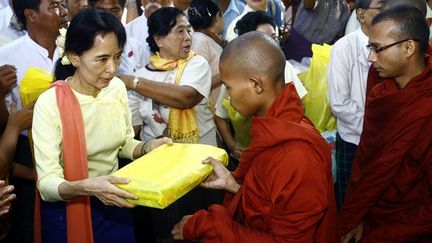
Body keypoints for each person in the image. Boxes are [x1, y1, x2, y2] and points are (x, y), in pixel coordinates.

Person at [171, 31, 337, 242]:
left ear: (257, 85)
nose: (228, 97)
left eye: (228, 87)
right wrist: (232, 184)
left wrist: (207, 226)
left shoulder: (298, 154)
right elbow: (270, 200)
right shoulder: (277, 126)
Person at [32, 9, 171, 243]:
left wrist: (147, 147)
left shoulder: (115, 88)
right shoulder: (50, 103)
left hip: (113, 200)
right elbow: (47, 184)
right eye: (102, 59)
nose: (112, 69)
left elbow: (124, 143)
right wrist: (89, 187)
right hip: (69, 207)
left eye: (117, 57)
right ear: (75, 57)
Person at [339, 6, 432, 242]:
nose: (371, 57)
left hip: (407, 225)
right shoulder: (381, 91)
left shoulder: (426, 107)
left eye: (377, 49)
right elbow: (367, 160)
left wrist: (384, 235)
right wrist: (358, 214)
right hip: (372, 211)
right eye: (371, 48)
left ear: (409, 47)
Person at [0, 1, 68, 242]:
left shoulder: (75, 48)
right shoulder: (7, 56)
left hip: (71, 147)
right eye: (54, 6)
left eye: (62, 5)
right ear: (31, 15)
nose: (63, 11)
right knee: (30, 222)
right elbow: (5, 121)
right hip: (26, 152)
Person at [215, 11, 307, 161]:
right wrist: (232, 145)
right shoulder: (236, 75)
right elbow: (220, 115)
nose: (272, 44)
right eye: (265, 39)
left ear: (256, 84)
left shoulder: (294, 149)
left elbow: (300, 106)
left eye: (274, 37)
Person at [327, 0, 385, 210]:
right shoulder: (344, 47)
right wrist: (374, 130)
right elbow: (339, 104)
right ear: (361, 15)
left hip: (383, 140)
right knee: (350, 203)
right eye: (380, 7)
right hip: (354, 139)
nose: (386, 11)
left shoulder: (391, 44)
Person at [282, 0, 350, 61]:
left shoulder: (344, 9)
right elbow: (308, 5)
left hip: (319, 53)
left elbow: (338, 36)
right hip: (298, 43)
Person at [189, 0, 225, 110]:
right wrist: (229, 73)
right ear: (218, 16)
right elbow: (199, 83)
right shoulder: (199, 41)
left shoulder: (208, 38)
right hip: (209, 109)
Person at [125, 0, 172, 74]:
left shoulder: (183, 29)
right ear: (141, 1)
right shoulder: (127, 31)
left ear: (169, 1)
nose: (152, 0)